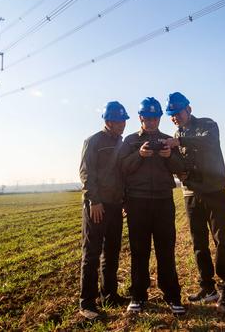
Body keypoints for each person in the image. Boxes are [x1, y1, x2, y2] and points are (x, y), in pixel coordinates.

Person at [163, 92, 225, 310]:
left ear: (189, 109)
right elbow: (182, 161)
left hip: (214, 192)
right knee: (199, 244)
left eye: (178, 113)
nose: (175, 117)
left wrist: (180, 141)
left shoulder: (208, 125)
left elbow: (208, 142)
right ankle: (208, 287)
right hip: (191, 194)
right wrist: (178, 169)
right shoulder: (177, 133)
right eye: (172, 115)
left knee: (221, 240)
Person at [119, 97, 186, 315]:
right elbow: (122, 169)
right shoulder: (129, 141)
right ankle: (138, 296)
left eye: (155, 117)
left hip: (163, 201)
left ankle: (172, 295)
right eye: (147, 118)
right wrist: (139, 155)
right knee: (139, 251)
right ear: (140, 118)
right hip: (137, 202)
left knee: (166, 250)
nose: (151, 122)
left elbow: (181, 168)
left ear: (159, 117)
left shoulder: (168, 140)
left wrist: (168, 156)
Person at [78, 101, 130, 320]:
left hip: (115, 205)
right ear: (108, 121)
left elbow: (123, 174)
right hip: (97, 206)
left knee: (111, 252)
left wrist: (124, 200)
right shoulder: (93, 142)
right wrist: (94, 201)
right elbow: (86, 173)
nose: (123, 125)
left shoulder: (122, 143)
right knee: (91, 253)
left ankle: (109, 295)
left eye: (124, 121)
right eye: (119, 121)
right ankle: (87, 303)